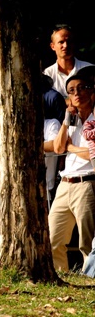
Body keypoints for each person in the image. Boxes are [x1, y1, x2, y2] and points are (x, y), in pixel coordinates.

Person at [50, 73, 95, 272]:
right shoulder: (71, 119)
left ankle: (89, 280)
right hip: (65, 183)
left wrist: (73, 148)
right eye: (71, 90)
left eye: (82, 87)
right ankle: (60, 276)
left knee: (88, 241)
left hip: (87, 183)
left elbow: (92, 154)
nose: (77, 93)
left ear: (92, 91)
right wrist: (67, 119)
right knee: (53, 238)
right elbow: (59, 148)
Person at [43, 24, 93, 98]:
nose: (66, 45)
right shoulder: (47, 74)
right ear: (52, 46)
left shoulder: (90, 69)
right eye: (61, 42)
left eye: (69, 41)